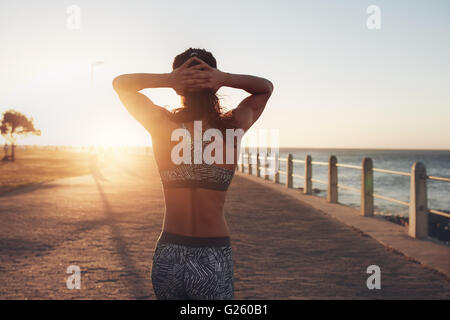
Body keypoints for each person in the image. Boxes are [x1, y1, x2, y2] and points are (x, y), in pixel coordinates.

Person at [112, 48, 273, 299]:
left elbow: (121, 84)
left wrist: (168, 79)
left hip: (169, 252)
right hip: (212, 254)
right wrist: (225, 78)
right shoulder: (233, 125)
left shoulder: (161, 123)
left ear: (178, 88)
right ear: (215, 84)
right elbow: (265, 88)